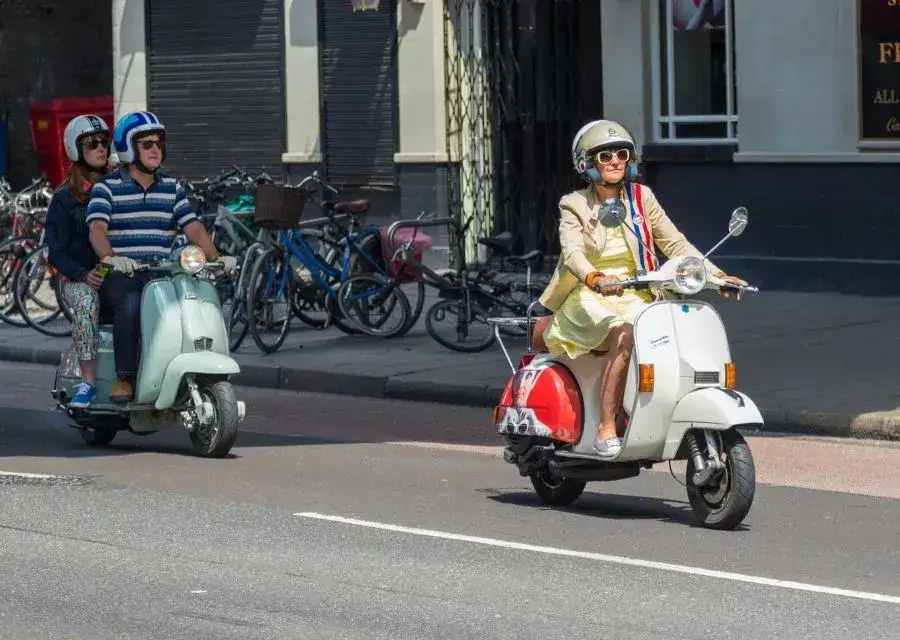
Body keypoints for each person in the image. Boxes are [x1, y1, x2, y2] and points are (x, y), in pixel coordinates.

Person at [537, 119, 747, 459]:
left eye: (622, 153)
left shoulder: (641, 197)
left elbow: (676, 244)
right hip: (591, 296)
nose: (616, 161)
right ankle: (607, 426)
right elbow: (573, 252)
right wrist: (595, 278)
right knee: (624, 334)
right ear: (586, 164)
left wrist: (717, 276)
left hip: (638, 291)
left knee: (671, 330)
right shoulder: (574, 203)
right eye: (605, 156)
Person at [86, 111, 236, 403]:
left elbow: (192, 226)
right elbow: (97, 229)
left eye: (159, 143)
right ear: (129, 149)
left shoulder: (171, 187)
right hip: (118, 273)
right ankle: (125, 378)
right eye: (147, 144)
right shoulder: (107, 188)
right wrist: (110, 258)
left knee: (193, 296)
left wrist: (219, 257)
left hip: (159, 273)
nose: (156, 149)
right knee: (131, 302)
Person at [45, 114, 114, 408]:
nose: (101, 148)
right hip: (76, 279)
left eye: (104, 142)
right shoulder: (63, 199)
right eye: (92, 143)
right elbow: (55, 252)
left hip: (116, 272)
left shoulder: (118, 187)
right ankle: (87, 382)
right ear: (76, 150)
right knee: (86, 303)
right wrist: (84, 274)